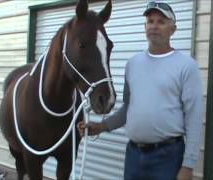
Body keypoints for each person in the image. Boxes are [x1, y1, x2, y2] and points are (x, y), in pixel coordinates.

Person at [78, 2, 203, 180]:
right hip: (134, 156)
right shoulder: (133, 64)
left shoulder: (186, 65)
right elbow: (128, 109)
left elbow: (194, 118)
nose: (154, 25)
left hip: (168, 157)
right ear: (145, 27)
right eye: (150, 21)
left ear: (172, 29)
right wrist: (101, 127)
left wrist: (188, 165)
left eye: (161, 21)